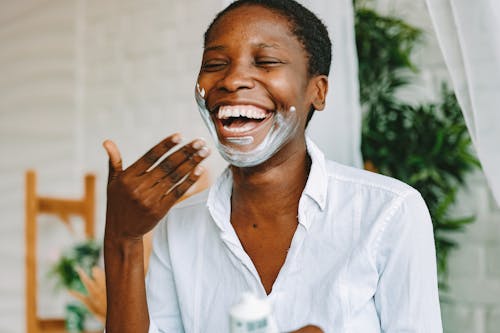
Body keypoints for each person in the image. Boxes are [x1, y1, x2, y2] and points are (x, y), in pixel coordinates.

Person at [103, 0, 442, 332]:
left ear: (317, 92)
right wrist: (123, 237)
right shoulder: (179, 225)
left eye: (265, 61)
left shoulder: (389, 212)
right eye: (216, 63)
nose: (233, 79)